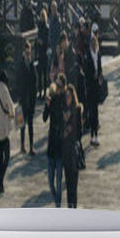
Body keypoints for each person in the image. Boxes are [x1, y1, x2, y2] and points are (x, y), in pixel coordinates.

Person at [42, 74, 66, 207]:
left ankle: (58, 206)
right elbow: (44, 118)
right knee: (50, 181)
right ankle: (56, 201)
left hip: (61, 145)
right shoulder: (53, 100)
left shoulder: (64, 100)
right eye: (56, 86)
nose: (57, 89)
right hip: (52, 144)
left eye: (59, 86)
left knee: (58, 180)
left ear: (63, 87)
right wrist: (47, 105)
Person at [0, 70, 14, 194]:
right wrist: (11, 115)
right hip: (4, 127)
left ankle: (0, 182)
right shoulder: (5, 90)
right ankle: (1, 181)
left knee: (0, 157)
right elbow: (11, 106)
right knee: (7, 157)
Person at [62, 84, 83, 209]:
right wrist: (64, 123)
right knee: (68, 184)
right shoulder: (64, 110)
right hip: (66, 152)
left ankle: (73, 209)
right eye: (66, 96)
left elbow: (79, 133)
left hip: (73, 152)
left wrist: (71, 128)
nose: (67, 98)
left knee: (74, 186)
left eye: (69, 96)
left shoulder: (76, 111)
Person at [17, 40, 37, 155]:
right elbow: (18, 82)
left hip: (31, 97)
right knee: (22, 123)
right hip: (23, 97)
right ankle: (22, 145)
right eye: (26, 50)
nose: (28, 53)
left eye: (29, 50)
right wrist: (20, 96)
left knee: (30, 123)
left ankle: (31, 146)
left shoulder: (32, 64)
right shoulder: (21, 65)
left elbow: (35, 81)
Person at [84, 32, 103, 146]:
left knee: (95, 110)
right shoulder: (88, 54)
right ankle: (92, 134)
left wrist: (100, 74)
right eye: (91, 44)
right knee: (91, 111)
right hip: (90, 85)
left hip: (96, 85)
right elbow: (86, 71)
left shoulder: (98, 54)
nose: (93, 45)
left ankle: (95, 134)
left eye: (94, 43)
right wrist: (93, 75)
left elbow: (100, 67)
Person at [36, 7, 49, 99]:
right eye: (41, 16)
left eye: (43, 16)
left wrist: (42, 42)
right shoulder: (39, 27)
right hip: (39, 53)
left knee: (44, 74)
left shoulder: (46, 28)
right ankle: (40, 92)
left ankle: (44, 92)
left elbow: (47, 41)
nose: (42, 18)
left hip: (44, 53)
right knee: (39, 74)